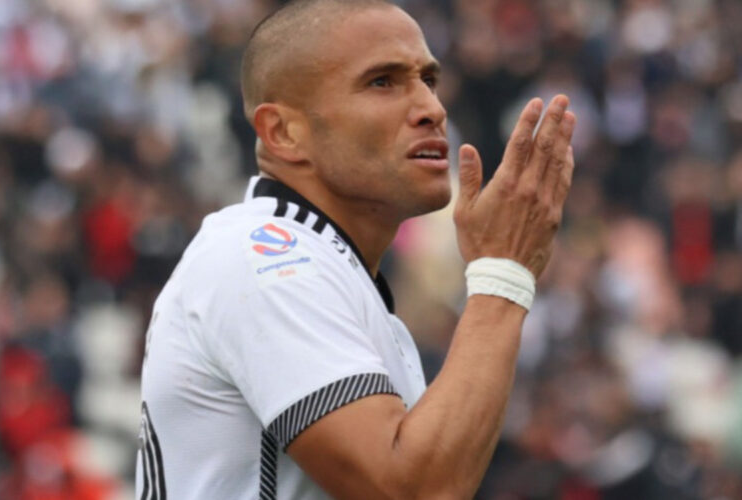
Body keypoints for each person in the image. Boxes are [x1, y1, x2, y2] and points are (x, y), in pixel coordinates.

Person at [136, 0, 576, 498]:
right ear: (282, 132)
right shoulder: (264, 256)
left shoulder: (334, 272)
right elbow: (413, 489)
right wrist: (503, 273)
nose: (432, 108)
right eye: (382, 82)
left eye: (428, 80)